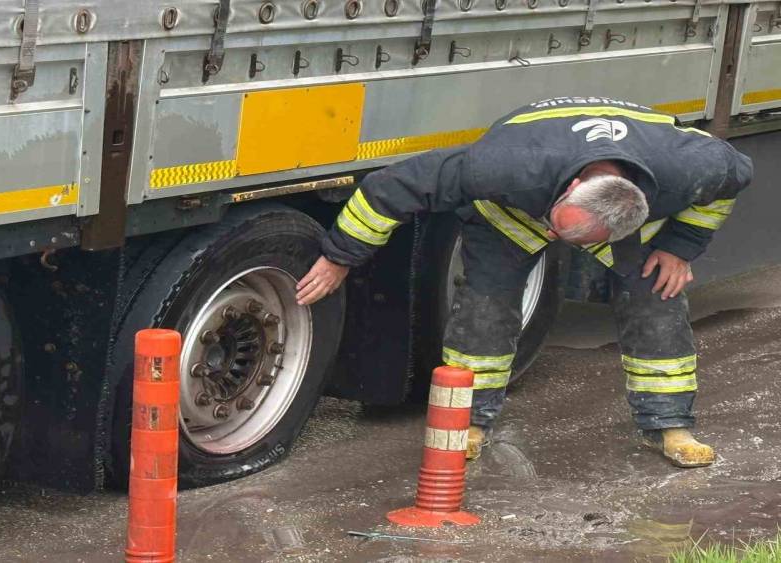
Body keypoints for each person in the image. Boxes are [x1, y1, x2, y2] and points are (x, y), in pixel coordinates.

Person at [295, 97, 753, 468]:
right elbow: (389, 189)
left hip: (609, 215)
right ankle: (470, 422)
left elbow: (732, 184)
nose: (558, 241)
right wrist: (341, 256)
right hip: (511, 214)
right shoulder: (502, 166)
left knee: (658, 296)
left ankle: (670, 426)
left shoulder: (695, 168)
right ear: (572, 185)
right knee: (485, 308)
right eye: (559, 227)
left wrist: (681, 244)